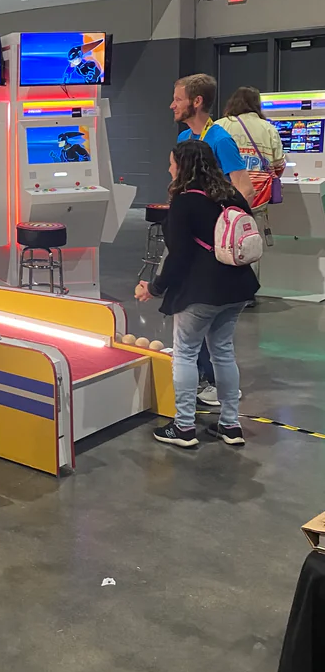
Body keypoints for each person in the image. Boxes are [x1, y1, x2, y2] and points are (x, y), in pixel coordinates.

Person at [135, 139, 259, 448]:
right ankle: (231, 425)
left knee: (185, 353)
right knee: (224, 352)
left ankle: (184, 427)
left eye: (172, 163)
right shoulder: (231, 195)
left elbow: (178, 258)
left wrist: (154, 288)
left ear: (184, 166)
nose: (169, 168)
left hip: (201, 291)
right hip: (238, 287)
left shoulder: (184, 202)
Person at [170, 72, 253, 407]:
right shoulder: (186, 137)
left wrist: (211, 226)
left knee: (205, 331)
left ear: (197, 101)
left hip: (212, 253)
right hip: (192, 249)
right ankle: (206, 383)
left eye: (177, 99)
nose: (172, 105)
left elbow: (244, 189)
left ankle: (208, 388)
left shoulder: (219, 139)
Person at [217, 85, 286, 202]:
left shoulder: (219, 126)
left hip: (226, 194)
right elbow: (279, 164)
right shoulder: (269, 128)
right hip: (259, 196)